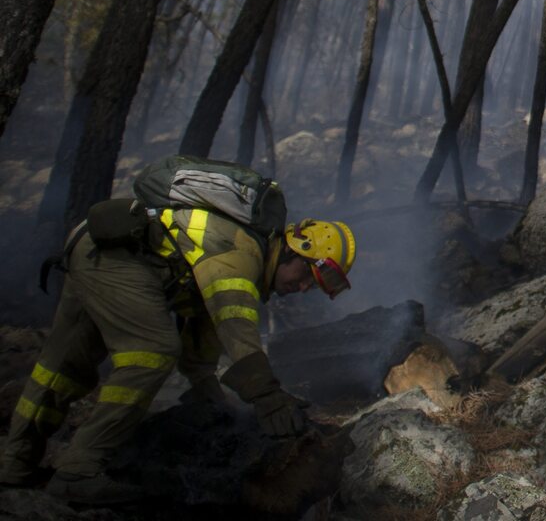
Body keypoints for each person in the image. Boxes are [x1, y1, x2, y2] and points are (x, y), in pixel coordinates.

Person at [0, 205, 356, 505]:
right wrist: (268, 399)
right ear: (294, 250)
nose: (303, 287)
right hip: (119, 259)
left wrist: (207, 392)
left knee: (64, 366)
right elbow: (236, 328)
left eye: (314, 286)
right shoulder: (242, 254)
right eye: (307, 275)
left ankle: (16, 464)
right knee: (152, 351)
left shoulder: (242, 252)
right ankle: (79, 470)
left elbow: (203, 335)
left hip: (97, 247)